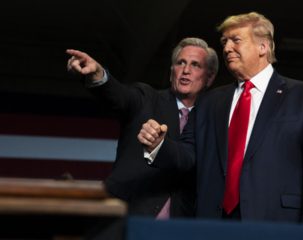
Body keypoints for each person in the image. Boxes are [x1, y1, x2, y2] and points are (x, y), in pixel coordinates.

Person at [138, 12, 303, 223]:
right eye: (224, 42)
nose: (227, 48)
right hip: (214, 223)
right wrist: (159, 145)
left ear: (263, 47)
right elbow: (188, 154)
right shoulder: (210, 102)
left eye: (236, 40)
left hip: (275, 224)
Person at [66, 37, 219, 218]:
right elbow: (120, 96)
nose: (186, 70)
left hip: (181, 226)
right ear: (171, 72)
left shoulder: (213, 120)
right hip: (128, 218)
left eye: (195, 65)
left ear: (209, 78)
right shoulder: (146, 98)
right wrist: (98, 76)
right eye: (180, 63)